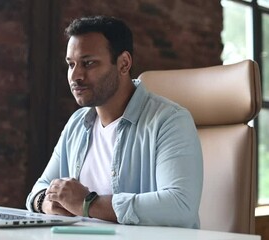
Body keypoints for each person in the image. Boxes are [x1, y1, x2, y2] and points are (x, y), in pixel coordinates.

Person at [25, 15, 203, 229]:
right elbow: (39, 189)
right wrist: (46, 202)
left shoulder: (169, 121)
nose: (75, 76)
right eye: (71, 64)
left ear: (124, 64)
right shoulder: (77, 124)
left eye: (88, 63)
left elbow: (180, 207)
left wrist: (87, 203)